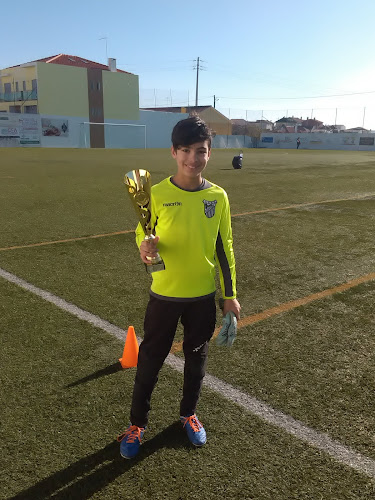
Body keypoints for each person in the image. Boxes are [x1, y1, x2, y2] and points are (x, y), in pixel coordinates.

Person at [118, 115, 241, 459]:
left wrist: (230, 296)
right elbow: (143, 232)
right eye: (185, 150)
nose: (193, 158)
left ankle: (188, 415)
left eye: (200, 151)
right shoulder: (155, 193)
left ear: (209, 153)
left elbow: (224, 247)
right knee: (150, 360)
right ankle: (137, 424)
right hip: (164, 295)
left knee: (196, 359)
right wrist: (145, 246)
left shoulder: (218, 196)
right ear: (173, 151)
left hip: (201, 296)